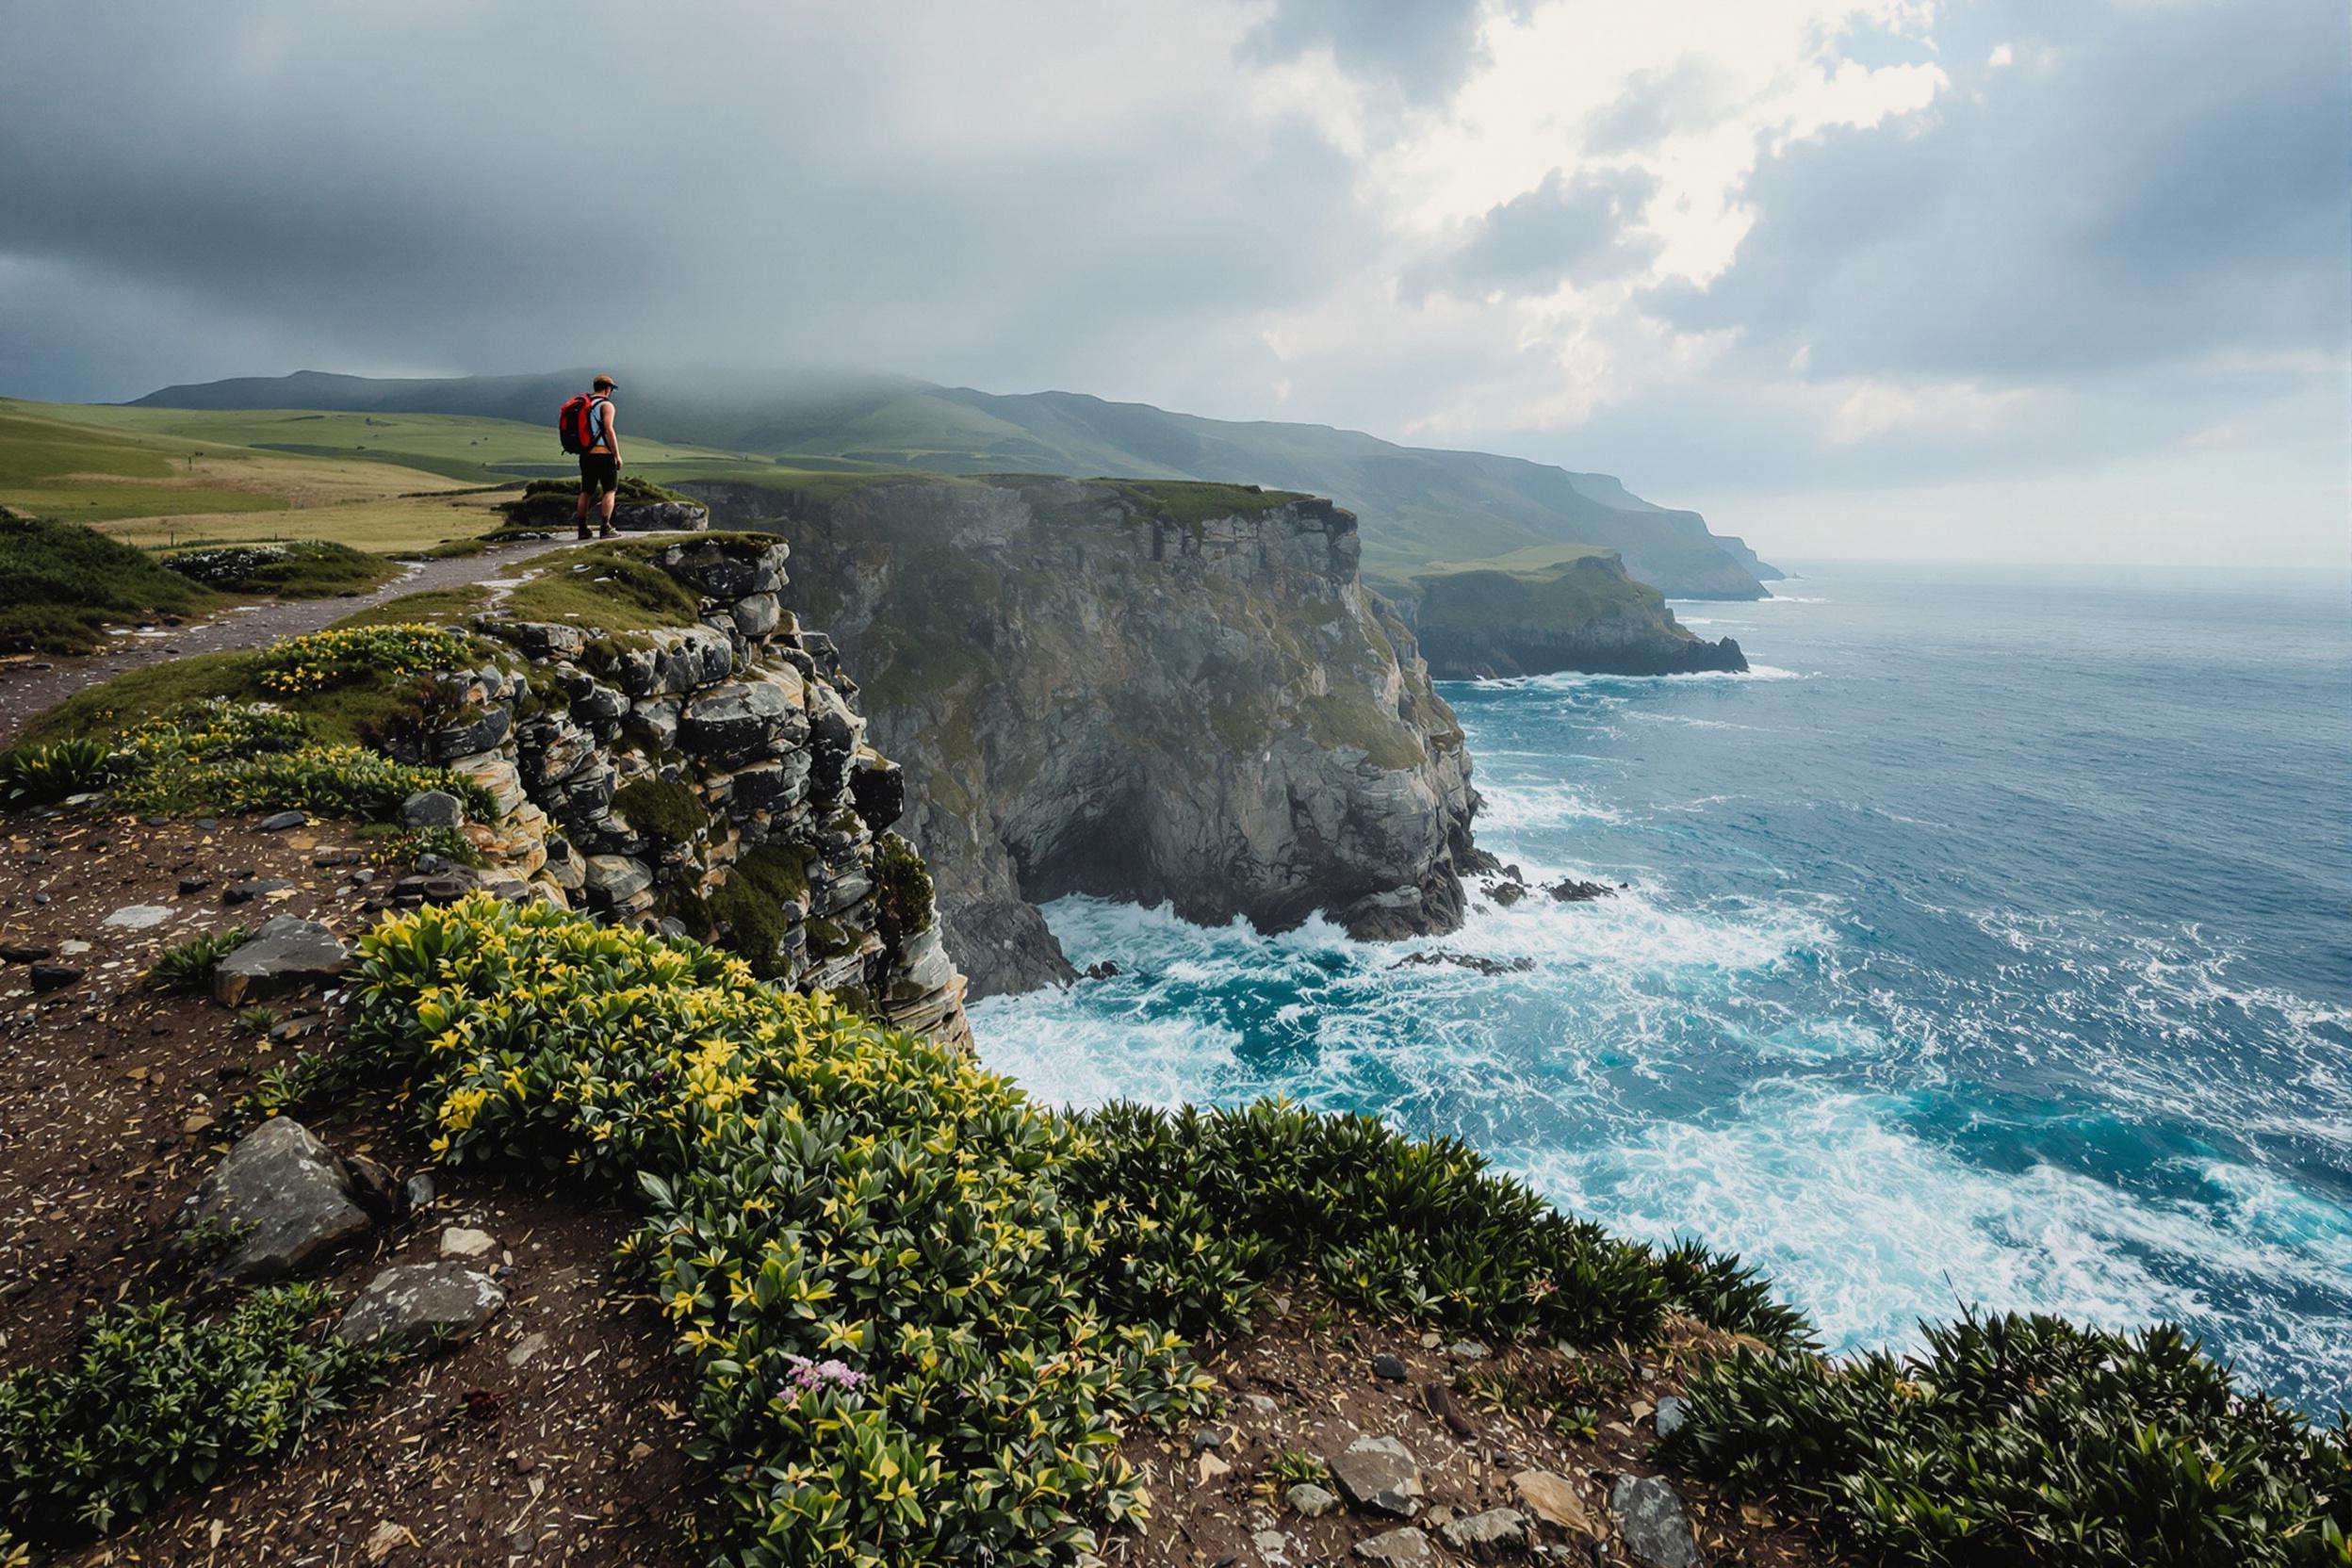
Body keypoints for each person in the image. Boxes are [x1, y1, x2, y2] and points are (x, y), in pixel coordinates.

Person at [575, 374, 622, 539]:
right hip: (603, 454)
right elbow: (608, 429)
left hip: (586, 454)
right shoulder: (606, 405)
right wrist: (616, 455)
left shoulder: (583, 405)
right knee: (610, 490)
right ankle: (605, 527)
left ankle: (582, 529)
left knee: (586, 491)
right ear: (607, 389)